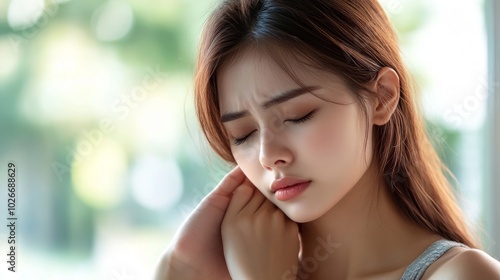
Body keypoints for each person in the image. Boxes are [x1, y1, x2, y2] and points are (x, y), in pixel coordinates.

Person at [155, 0, 500, 279]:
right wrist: (179, 270)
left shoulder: (462, 275)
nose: (267, 155)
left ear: (382, 96)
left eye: (298, 115)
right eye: (242, 135)